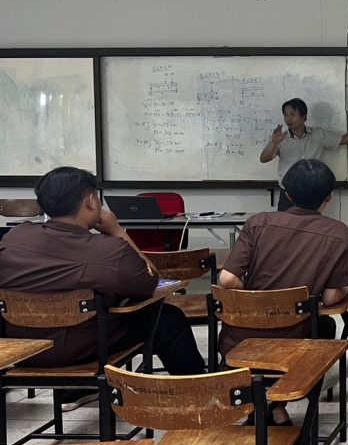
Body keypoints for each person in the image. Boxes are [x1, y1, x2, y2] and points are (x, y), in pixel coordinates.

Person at [0, 167, 205, 409]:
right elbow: (150, 280)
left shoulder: (15, 237)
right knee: (167, 318)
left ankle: (72, 392)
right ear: (90, 201)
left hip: (24, 351)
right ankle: (198, 393)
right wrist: (117, 231)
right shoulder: (108, 250)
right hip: (80, 348)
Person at [218, 159, 348, 422]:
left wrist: (254, 301)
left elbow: (226, 280)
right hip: (296, 342)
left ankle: (269, 408)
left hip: (239, 340)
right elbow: (331, 298)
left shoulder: (258, 223)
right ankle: (275, 404)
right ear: (329, 197)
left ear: (288, 194)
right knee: (326, 326)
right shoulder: (337, 233)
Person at [259, 98, 348, 210]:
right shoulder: (280, 138)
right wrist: (274, 143)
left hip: (312, 191)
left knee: (312, 224)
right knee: (285, 225)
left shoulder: (318, 134)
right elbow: (263, 159)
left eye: (292, 114)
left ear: (304, 117)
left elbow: (344, 139)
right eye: (285, 115)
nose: (288, 119)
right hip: (288, 193)